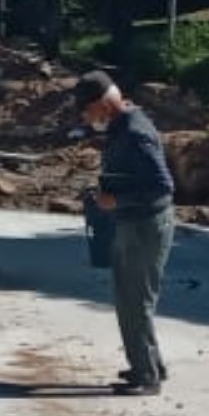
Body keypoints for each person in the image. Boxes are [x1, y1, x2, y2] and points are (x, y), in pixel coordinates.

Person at [74, 70, 176, 396]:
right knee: (128, 297)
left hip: (145, 225)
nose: (88, 120)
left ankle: (147, 377)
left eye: (89, 112)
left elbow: (162, 185)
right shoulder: (122, 127)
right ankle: (149, 365)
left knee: (135, 301)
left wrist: (117, 199)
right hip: (132, 222)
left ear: (104, 104)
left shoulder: (134, 132)